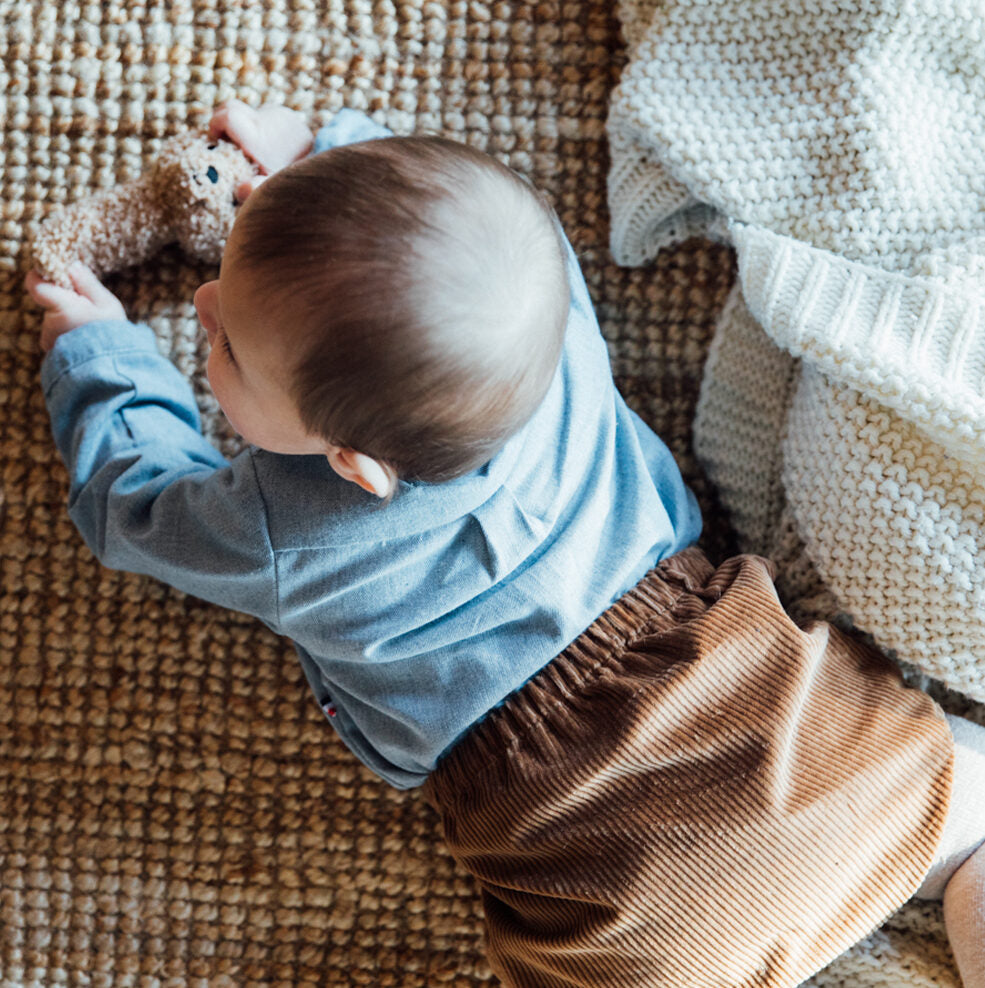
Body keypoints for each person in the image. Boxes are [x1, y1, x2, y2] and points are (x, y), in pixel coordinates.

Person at [26, 101, 985, 988]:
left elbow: (131, 505)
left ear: (356, 466)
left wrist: (100, 355)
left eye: (226, 346)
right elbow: (458, 227)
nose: (200, 307)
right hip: (790, 731)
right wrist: (320, 154)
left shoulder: (282, 526)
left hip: (606, 875)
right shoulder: (543, 313)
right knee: (973, 821)